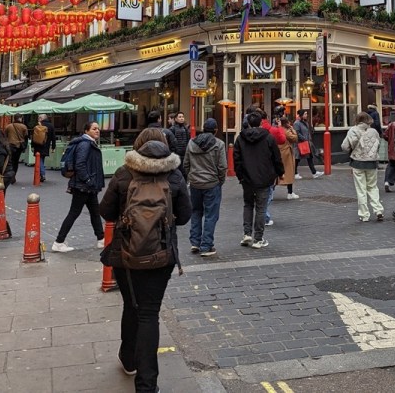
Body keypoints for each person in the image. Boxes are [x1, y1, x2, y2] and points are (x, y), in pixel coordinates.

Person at [99, 128, 191, 390]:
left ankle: (128, 358)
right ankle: (147, 385)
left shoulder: (124, 174)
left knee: (131, 305)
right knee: (149, 313)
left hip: (126, 255)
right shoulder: (174, 175)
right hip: (161, 256)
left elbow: (105, 211)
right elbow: (184, 216)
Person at [52, 122, 106, 252]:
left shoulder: (89, 143)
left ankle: (101, 239)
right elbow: (80, 164)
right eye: (94, 129)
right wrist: (88, 179)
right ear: (86, 131)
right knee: (74, 212)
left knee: (95, 212)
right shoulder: (85, 144)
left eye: (98, 129)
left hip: (87, 186)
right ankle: (59, 241)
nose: (97, 131)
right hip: (83, 185)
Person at [232, 111, 283, 248]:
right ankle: (258, 238)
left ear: (248, 123)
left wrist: (240, 175)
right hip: (264, 177)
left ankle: (247, 234)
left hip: (247, 178)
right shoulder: (268, 138)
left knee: (248, 205)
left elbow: (236, 159)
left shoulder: (240, 138)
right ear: (261, 122)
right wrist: (280, 172)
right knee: (261, 208)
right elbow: (276, 157)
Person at [183, 118, 227, 257]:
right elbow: (222, 166)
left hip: (195, 183)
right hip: (211, 183)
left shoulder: (191, 143)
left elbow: (186, 163)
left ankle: (195, 242)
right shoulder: (218, 144)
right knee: (211, 215)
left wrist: (191, 176)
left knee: (196, 212)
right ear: (215, 130)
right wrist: (220, 180)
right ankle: (206, 245)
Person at [342, 112, 384, 222]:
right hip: (372, 162)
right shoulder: (374, 131)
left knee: (361, 189)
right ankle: (378, 210)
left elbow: (345, 146)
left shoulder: (353, 130)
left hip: (358, 162)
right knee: (373, 187)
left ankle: (364, 214)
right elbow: (378, 144)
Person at [271, 115, 298, 201]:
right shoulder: (286, 131)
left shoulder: (276, 130)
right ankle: (290, 193)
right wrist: (291, 128)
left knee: (277, 173)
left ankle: (271, 192)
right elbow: (295, 138)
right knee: (289, 172)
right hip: (286, 153)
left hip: (278, 153)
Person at [292, 109, 321, 178]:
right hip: (300, 144)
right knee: (297, 159)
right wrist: (304, 139)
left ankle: (314, 172)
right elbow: (297, 133)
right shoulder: (297, 123)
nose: (306, 115)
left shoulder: (305, 122)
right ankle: (295, 173)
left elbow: (307, 132)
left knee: (309, 157)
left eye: (306, 114)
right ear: (301, 115)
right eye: (305, 114)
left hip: (306, 143)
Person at [4, 114, 29, 183]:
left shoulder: (8, 126)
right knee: (16, 162)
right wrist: (25, 146)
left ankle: (9, 174)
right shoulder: (24, 127)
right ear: (20, 118)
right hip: (19, 146)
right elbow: (26, 137)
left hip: (10, 146)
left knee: (10, 161)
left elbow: (5, 136)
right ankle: (13, 175)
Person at [383, 108, 395, 192]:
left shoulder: (391, 124)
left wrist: (390, 141)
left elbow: (385, 135)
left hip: (392, 149)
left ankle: (387, 181)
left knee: (391, 165)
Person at [32, 113, 56, 182]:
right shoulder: (51, 126)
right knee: (42, 158)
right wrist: (53, 147)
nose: (38, 119)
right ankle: (41, 174)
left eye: (39, 118)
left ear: (41, 118)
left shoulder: (37, 126)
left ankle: (42, 173)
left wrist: (32, 146)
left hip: (38, 145)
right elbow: (53, 137)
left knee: (39, 160)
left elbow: (34, 136)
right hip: (46, 145)